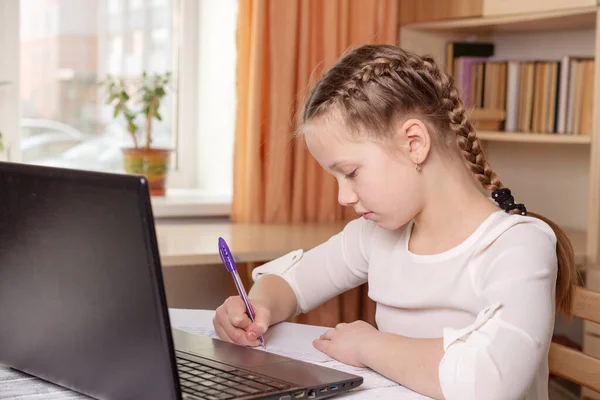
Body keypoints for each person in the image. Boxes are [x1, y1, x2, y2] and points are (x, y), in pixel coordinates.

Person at [213, 44, 577, 400]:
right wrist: (257, 307)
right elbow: (293, 282)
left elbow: (488, 381)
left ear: (414, 143)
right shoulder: (377, 235)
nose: (343, 197)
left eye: (351, 172)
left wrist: (371, 346)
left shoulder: (518, 247)